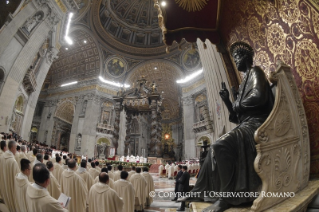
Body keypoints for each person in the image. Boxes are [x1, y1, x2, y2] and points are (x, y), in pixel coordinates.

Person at [187, 41, 274, 212]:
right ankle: (199, 191)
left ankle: (226, 198)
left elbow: (259, 97)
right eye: (233, 58)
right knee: (212, 149)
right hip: (246, 123)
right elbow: (235, 117)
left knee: (221, 145)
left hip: (258, 123)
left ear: (246, 57)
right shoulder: (242, 84)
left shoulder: (256, 72)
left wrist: (236, 104)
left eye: (237, 57)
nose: (235, 61)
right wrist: (227, 100)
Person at [0, 140, 20, 211]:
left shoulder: (2, 156)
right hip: (10, 186)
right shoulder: (13, 162)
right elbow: (18, 179)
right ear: (12, 148)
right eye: (16, 147)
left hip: (2, 184)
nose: (16, 150)